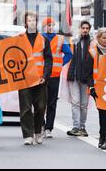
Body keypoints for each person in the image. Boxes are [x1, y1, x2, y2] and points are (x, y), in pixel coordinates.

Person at [18, 12, 53, 145]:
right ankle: (28, 135)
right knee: (25, 108)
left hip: (40, 79)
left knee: (40, 107)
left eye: (34, 20)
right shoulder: (19, 39)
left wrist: (46, 76)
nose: (32, 22)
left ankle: (38, 132)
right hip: (24, 79)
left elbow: (49, 60)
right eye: (29, 20)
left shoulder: (44, 39)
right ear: (25, 23)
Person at [41, 17, 73, 138]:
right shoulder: (40, 38)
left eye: (52, 25)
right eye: (48, 25)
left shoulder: (60, 39)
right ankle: (41, 125)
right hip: (41, 74)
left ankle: (48, 128)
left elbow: (69, 54)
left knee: (51, 102)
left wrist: (60, 65)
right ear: (44, 27)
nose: (50, 27)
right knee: (40, 103)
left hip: (54, 74)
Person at [66, 21, 93, 137]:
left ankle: (82, 127)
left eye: (87, 28)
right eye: (83, 28)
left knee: (84, 104)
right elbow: (68, 56)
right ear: (80, 29)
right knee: (75, 102)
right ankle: (76, 127)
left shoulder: (92, 43)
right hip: (75, 75)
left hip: (86, 77)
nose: (85, 30)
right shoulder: (74, 41)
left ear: (89, 30)